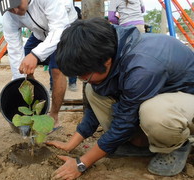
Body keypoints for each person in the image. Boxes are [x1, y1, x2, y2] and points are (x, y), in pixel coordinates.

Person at [47, 18, 194, 179]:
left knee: (155, 113)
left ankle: (175, 147)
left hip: (187, 99)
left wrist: (81, 163)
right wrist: (72, 143)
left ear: (107, 61)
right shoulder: (109, 47)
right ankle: (141, 144)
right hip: (157, 93)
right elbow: (98, 103)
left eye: (84, 76)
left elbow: (124, 122)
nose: (82, 79)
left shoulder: (141, 67)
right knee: (93, 90)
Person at [0, 0, 77, 129]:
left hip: (65, 30)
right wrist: (19, 79)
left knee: (56, 70)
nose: (15, 11)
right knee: (23, 68)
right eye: (10, 9)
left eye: (16, 5)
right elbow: (15, 50)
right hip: (40, 34)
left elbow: (59, 29)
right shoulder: (9, 16)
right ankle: (34, 110)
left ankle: (54, 117)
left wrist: (36, 55)